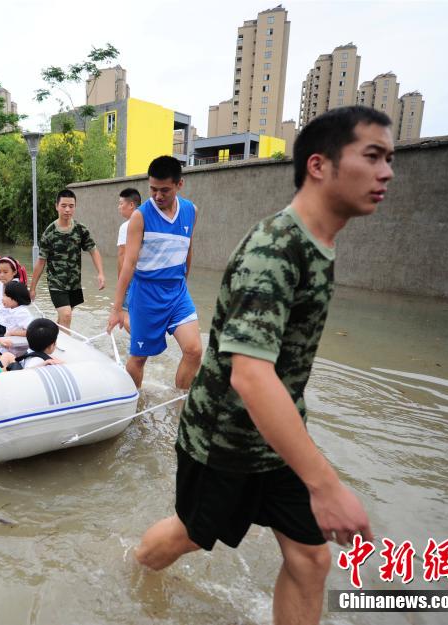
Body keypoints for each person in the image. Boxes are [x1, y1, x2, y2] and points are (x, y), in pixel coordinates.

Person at [134, 106, 393, 625]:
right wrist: (327, 485)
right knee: (189, 536)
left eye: (389, 158)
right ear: (319, 165)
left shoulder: (317, 243)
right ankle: (133, 568)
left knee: (310, 556)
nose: (387, 172)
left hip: (278, 435)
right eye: (372, 156)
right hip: (225, 440)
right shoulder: (276, 249)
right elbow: (249, 374)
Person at [107, 156, 203, 390]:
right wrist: (117, 308)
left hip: (177, 292)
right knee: (139, 358)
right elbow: (128, 263)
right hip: (146, 295)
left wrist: (184, 284)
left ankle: (178, 406)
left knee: (194, 351)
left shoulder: (191, 211)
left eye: (164, 190)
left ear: (179, 184)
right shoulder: (140, 216)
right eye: (153, 189)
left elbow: (188, 249)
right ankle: (134, 405)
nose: (158, 196)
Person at [29, 189, 106, 330]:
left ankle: (51, 338)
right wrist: (32, 288)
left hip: (74, 283)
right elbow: (41, 262)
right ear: (56, 206)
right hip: (56, 283)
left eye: (71, 206)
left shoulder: (81, 230)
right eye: (64, 205)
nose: (67, 209)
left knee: (64, 317)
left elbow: (93, 250)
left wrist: (100, 273)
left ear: (75, 207)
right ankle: (65, 349)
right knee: (66, 315)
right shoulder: (49, 233)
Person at [115, 187, 140, 333]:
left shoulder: (127, 226)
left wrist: (121, 283)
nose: (119, 207)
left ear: (131, 205)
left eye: (120, 203)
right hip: (147, 278)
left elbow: (122, 254)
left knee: (125, 318)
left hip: (131, 278)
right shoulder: (146, 222)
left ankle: (141, 349)